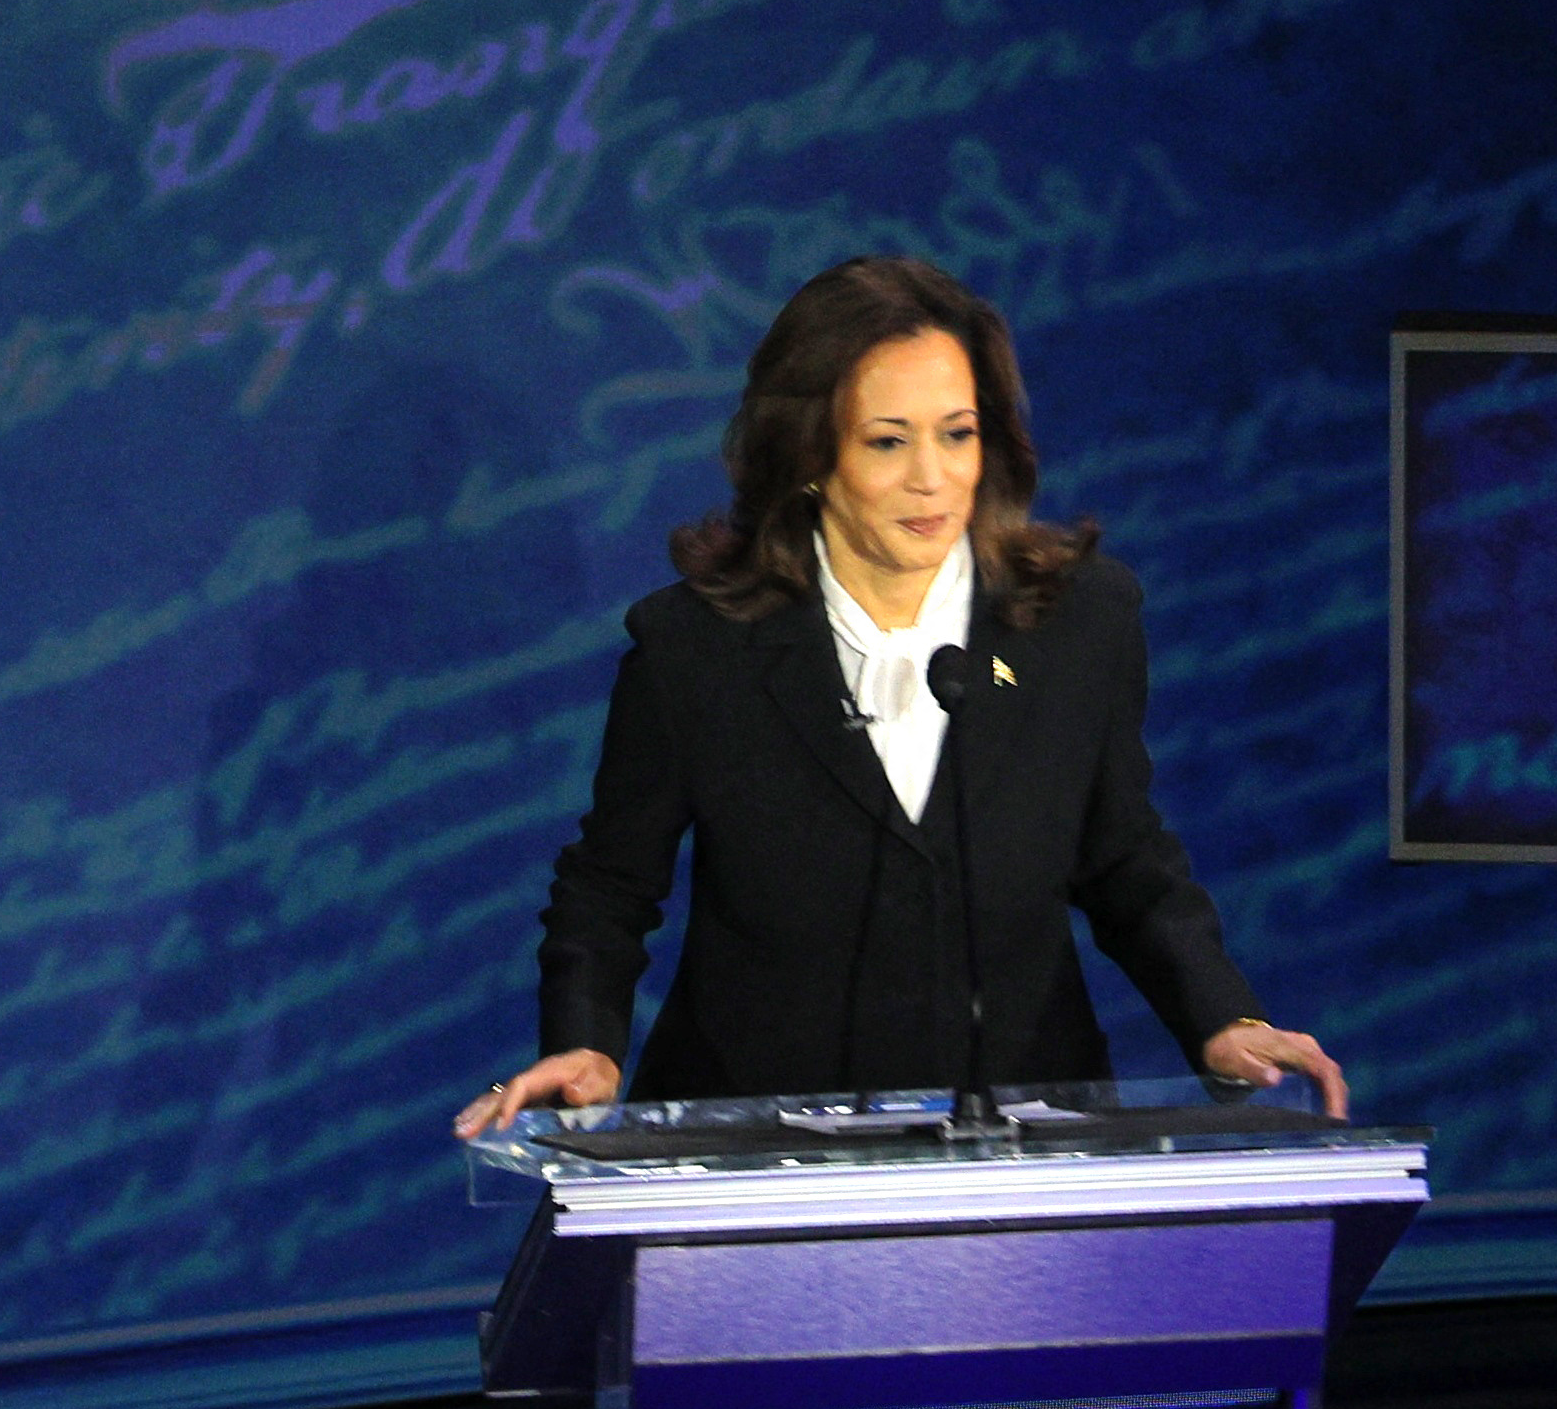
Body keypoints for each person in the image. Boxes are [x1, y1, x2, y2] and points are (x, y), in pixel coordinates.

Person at [453, 254, 1348, 1135]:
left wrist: (1223, 1018)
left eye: (957, 434)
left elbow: (1124, 859)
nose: (933, 476)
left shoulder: (1079, 622)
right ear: (811, 455)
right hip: (755, 1141)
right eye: (889, 441)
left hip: (1016, 1129)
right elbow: (610, 884)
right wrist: (586, 1043)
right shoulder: (696, 647)